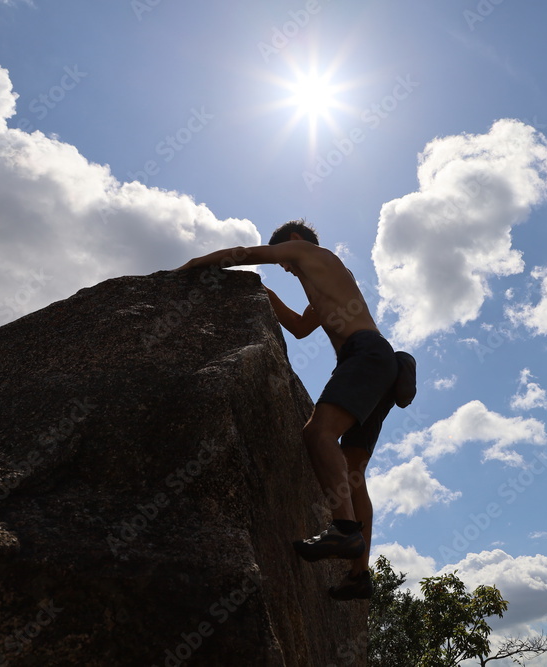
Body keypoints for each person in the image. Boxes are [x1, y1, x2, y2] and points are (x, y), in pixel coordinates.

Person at [175, 219, 412, 601]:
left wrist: (192, 265)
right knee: (352, 474)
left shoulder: (306, 251)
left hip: (364, 356)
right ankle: (359, 575)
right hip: (379, 365)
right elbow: (302, 327)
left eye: (284, 259)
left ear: (294, 241)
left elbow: (246, 254)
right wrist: (264, 292)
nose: (285, 267)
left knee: (317, 433)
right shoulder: (330, 279)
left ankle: (344, 530)